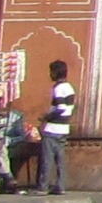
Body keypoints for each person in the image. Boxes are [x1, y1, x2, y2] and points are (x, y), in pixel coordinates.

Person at [37, 59, 74, 195]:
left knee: (47, 159)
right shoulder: (69, 87)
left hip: (53, 129)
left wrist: (45, 118)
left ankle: (43, 187)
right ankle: (61, 186)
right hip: (64, 128)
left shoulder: (58, 88)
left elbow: (61, 108)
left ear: (55, 72)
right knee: (60, 160)